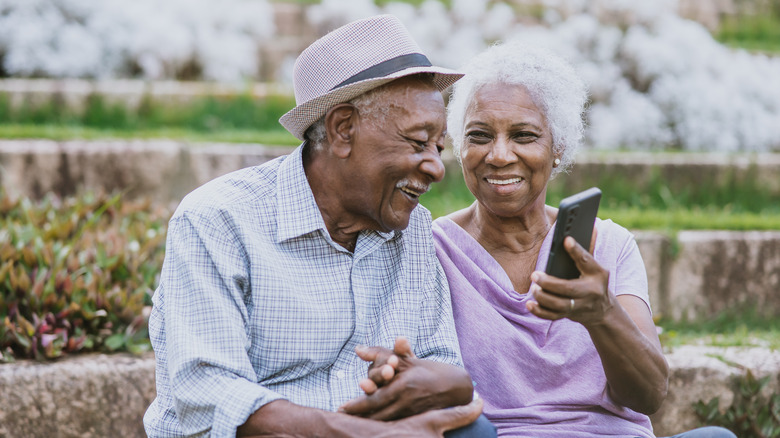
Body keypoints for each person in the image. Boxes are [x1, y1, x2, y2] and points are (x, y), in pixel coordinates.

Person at [143, 15, 496, 438]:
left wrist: (417, 378)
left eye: (438, 148)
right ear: (343, 129)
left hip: (372, 427)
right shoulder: (218, 219)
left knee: (473, 432)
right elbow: (207, 392)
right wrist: (353, 433)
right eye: (418, 142)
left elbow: (443, 363)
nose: (436, 168)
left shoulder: (412, 229)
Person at [432, 41, 737, 438]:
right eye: (480, 135)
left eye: (524, 136)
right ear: (460, 146)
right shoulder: (435, 248)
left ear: (557, 148)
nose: (500, 155)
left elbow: (648, 395)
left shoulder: (609, 244)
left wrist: (602, 313)